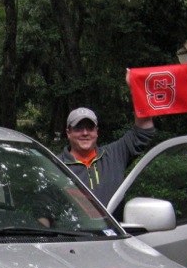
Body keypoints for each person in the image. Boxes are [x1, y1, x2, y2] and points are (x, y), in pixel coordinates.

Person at [59, 72, 155, 205]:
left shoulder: (114, 154)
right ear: (68, 133)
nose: (85, 133)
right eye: (78, 128)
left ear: (96, 132)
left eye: (90, 127)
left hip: (114, 226)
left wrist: (135, 88)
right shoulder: (57, 167)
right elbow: (44, 210)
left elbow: (144, 130)